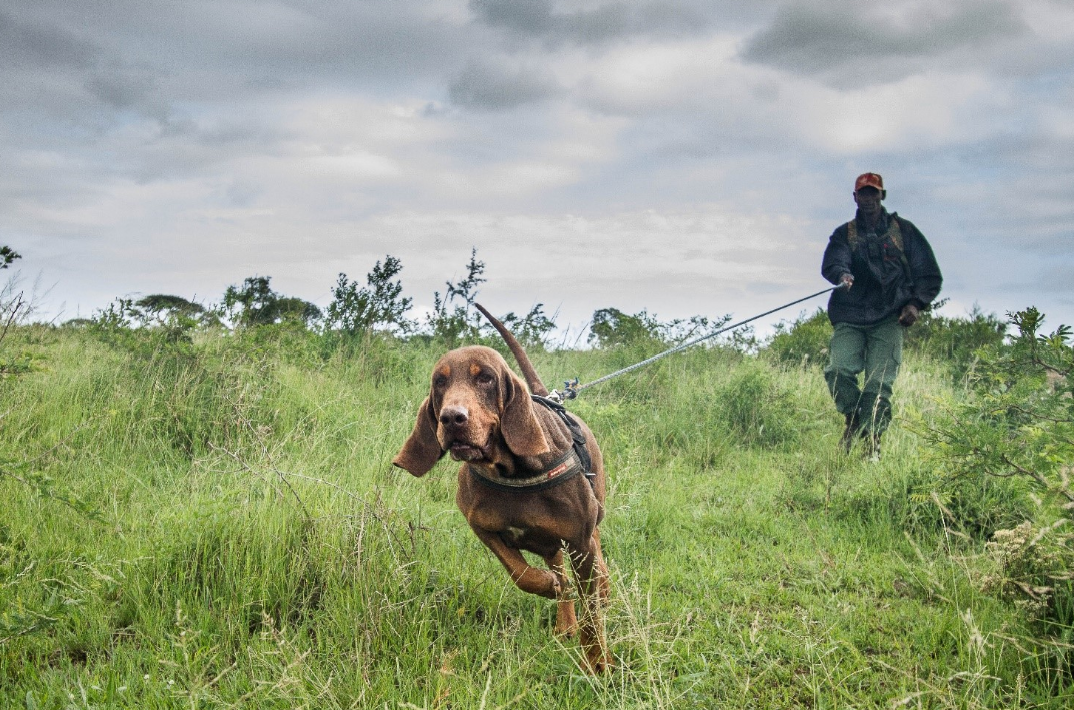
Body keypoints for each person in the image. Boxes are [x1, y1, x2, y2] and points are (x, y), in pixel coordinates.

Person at [821, 173, 942, 458]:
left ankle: (872, 443)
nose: (868, 199)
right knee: (837, 371)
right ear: (855, 198)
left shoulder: (904, 231)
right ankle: (853, 419)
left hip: (889, 317)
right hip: (850, 315)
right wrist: (843, 274)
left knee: (878, 384)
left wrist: (915, 305)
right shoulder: (844, 234)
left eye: (873, 193)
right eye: (863, 194)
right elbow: (834, 262)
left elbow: (928, 274)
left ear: (882, 195)